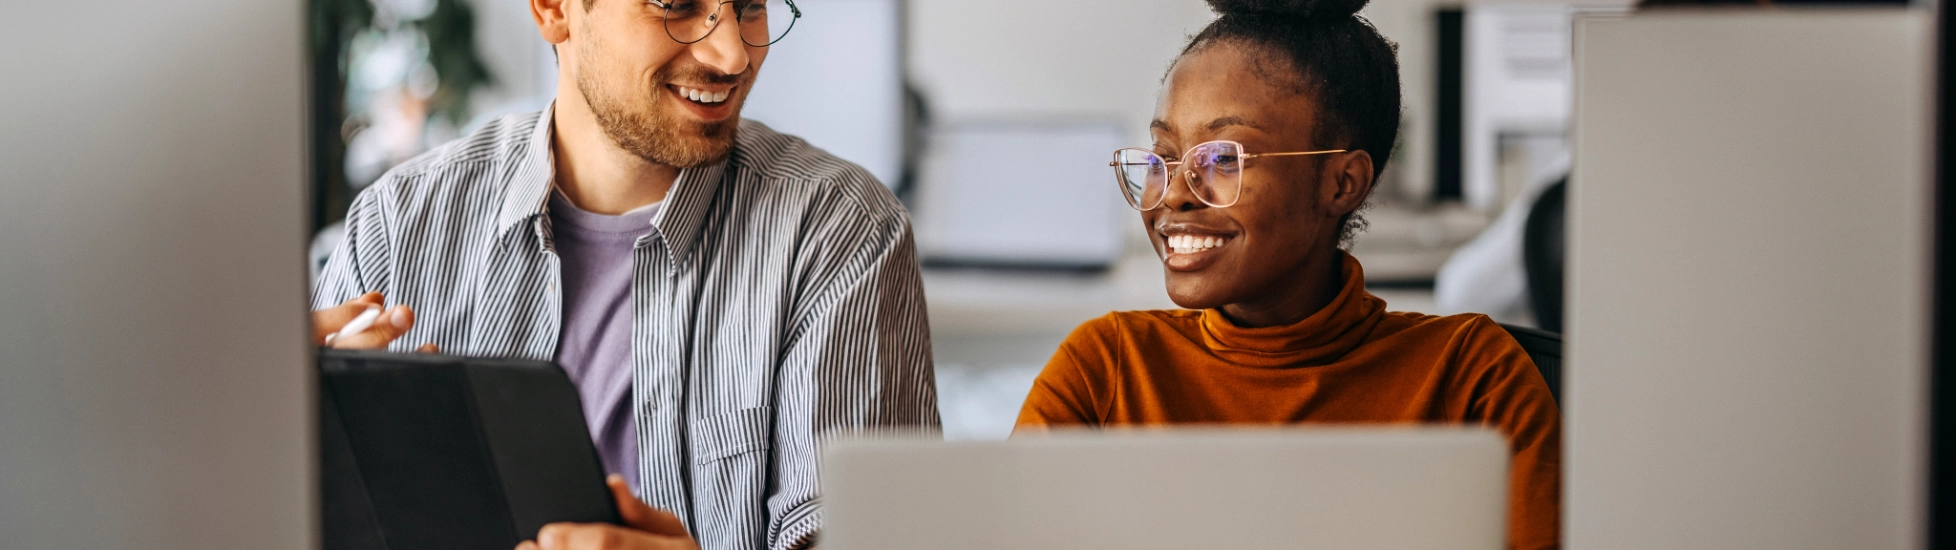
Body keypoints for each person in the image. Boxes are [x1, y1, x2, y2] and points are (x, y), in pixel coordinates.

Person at [309, 0, 939, 549]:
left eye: (750, 5)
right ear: (554, 8)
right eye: (676, 3)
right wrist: (293, 450)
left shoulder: (841, 232)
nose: (731, 56)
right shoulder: (398, 223)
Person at [1012, 1, 1562, 549]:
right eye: (1165, 155)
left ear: (1342, 182)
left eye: (1224, 159)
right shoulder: (1106, 369)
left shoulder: (1471, 377)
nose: (1175, 194)